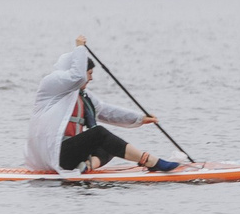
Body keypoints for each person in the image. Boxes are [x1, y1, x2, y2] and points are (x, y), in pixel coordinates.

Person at [26, 35, 179, 175]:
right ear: (79, 69)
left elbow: (106, 111)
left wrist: (140, 118)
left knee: (112, 145)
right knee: (99, 134)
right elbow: (78, 77)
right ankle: (151, 161)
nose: (91, 78)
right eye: (90, 73)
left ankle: (86, 165)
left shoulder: (81, 95)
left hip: (67, 155)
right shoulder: (52, 83)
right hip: (51, 153)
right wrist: (80, 47)